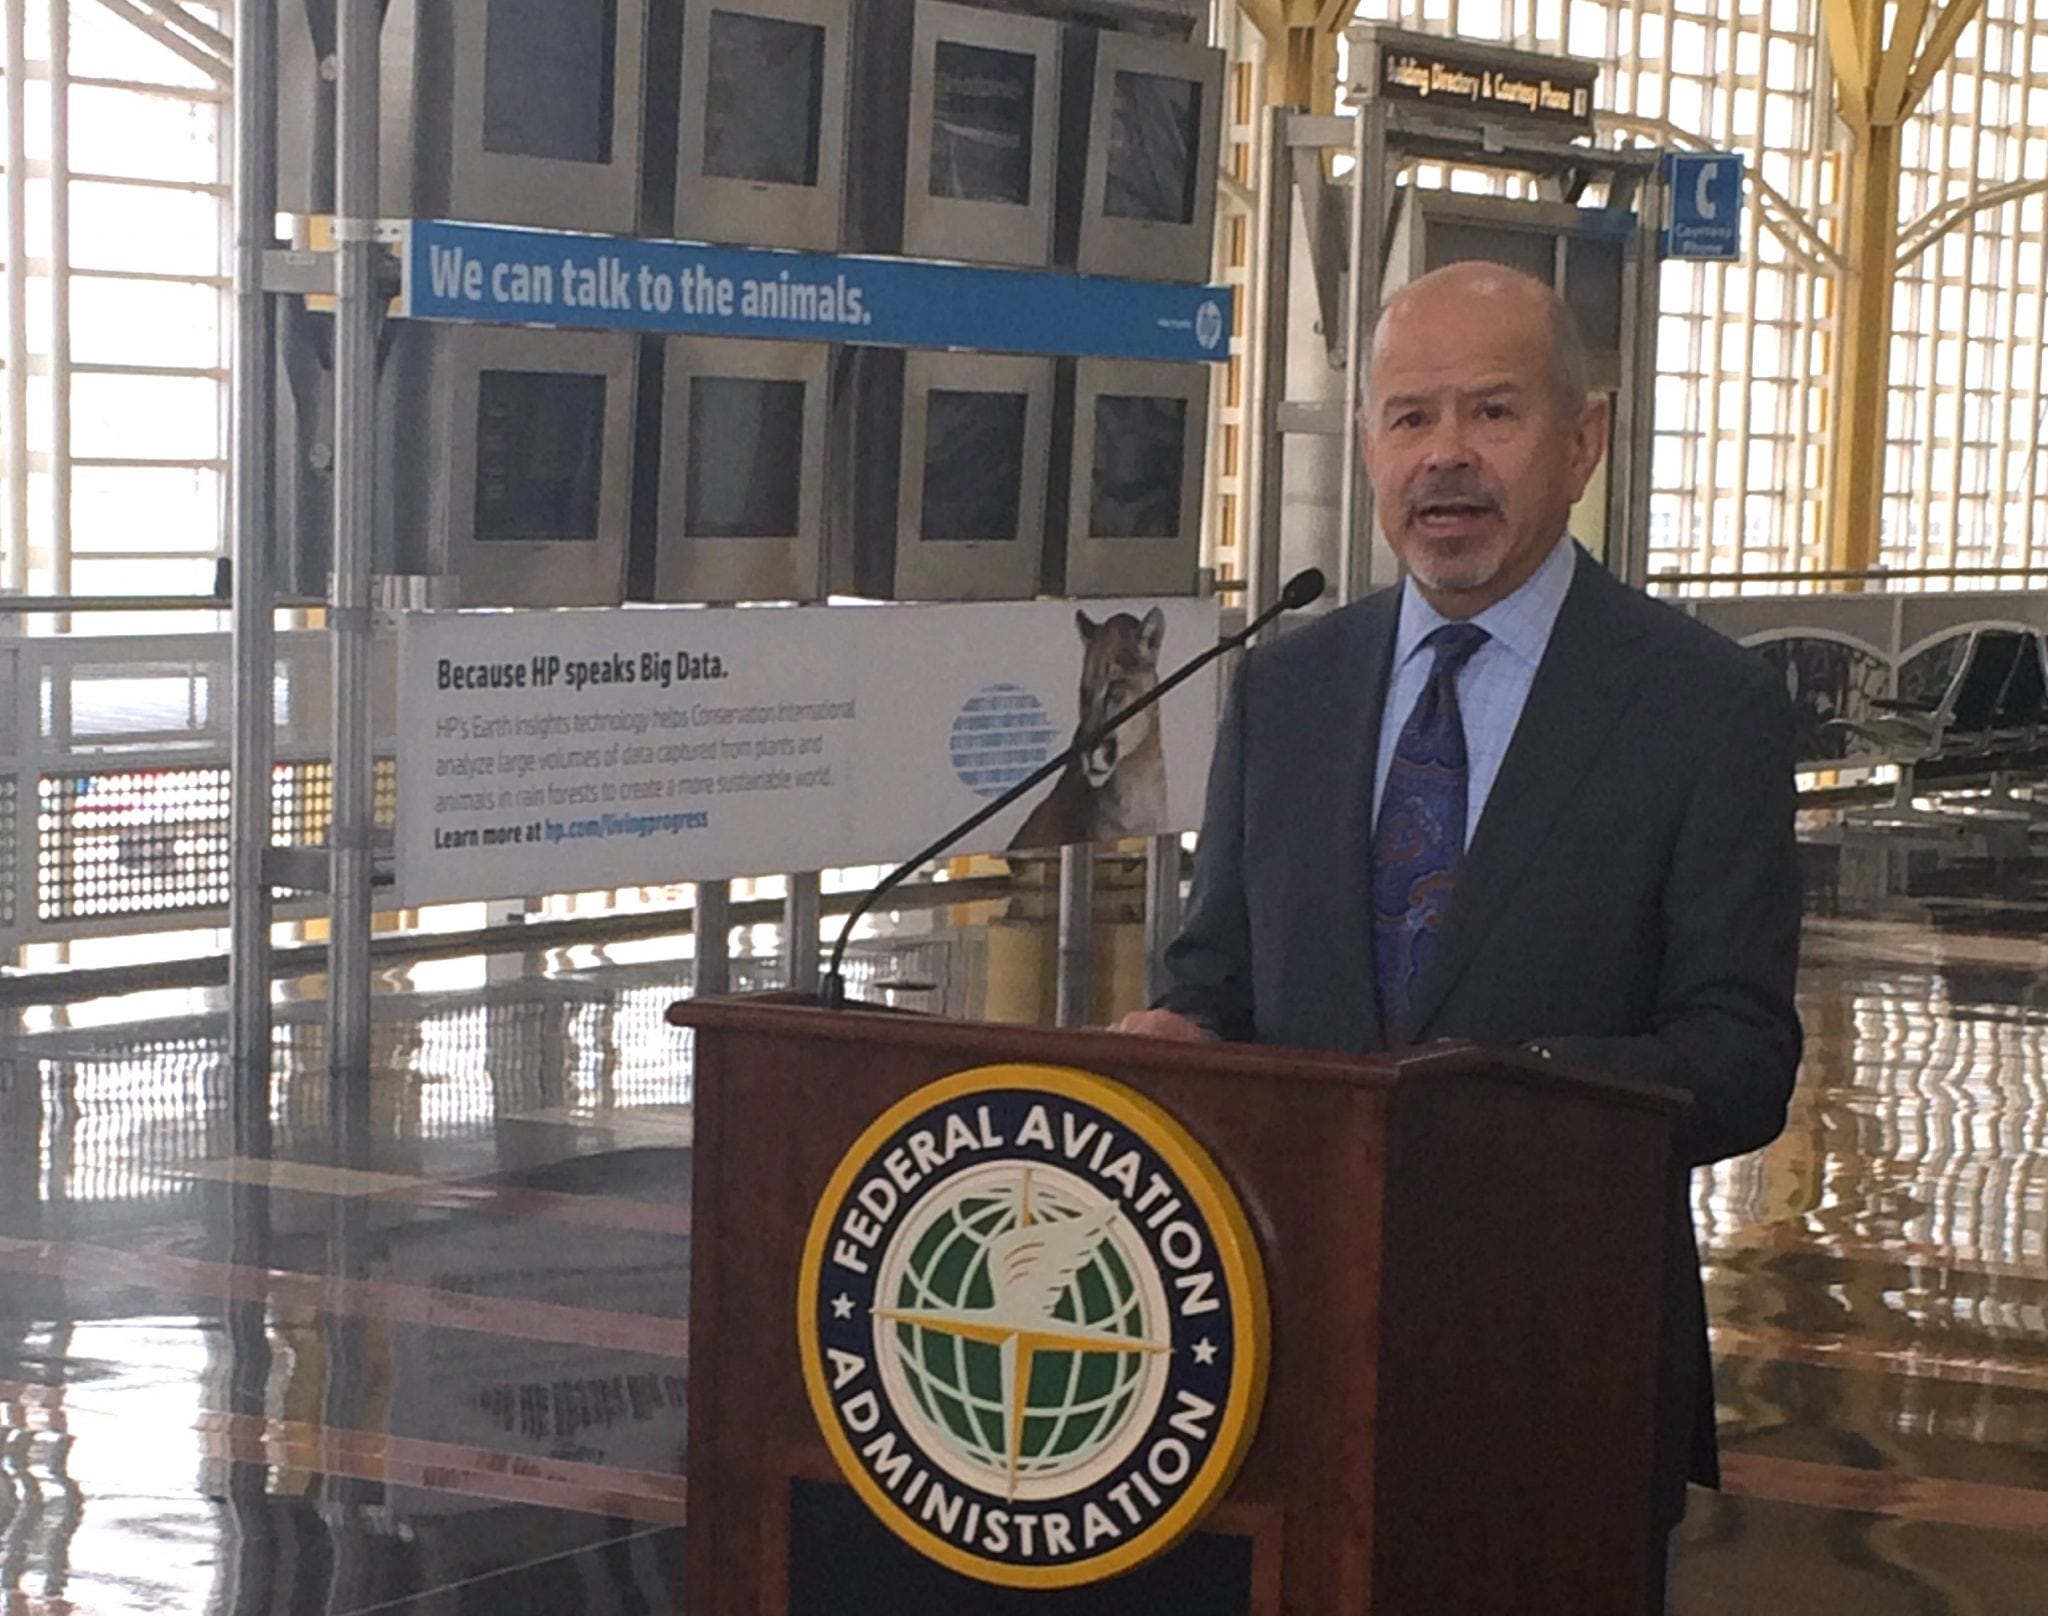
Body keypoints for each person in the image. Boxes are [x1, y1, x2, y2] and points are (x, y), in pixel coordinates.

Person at [1115, 261, 1803, 1600]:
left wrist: (1491, 1107)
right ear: (1368, 444)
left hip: (1564, 1385)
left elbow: (1737, 1055)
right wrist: (1174, 1038)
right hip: (1277, 1363)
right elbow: (1218, 975)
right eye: (1408, 417)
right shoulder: (1285, 688)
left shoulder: (1702, 708)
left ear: (1585, 440)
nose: (1445, 459)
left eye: (1492, 412)